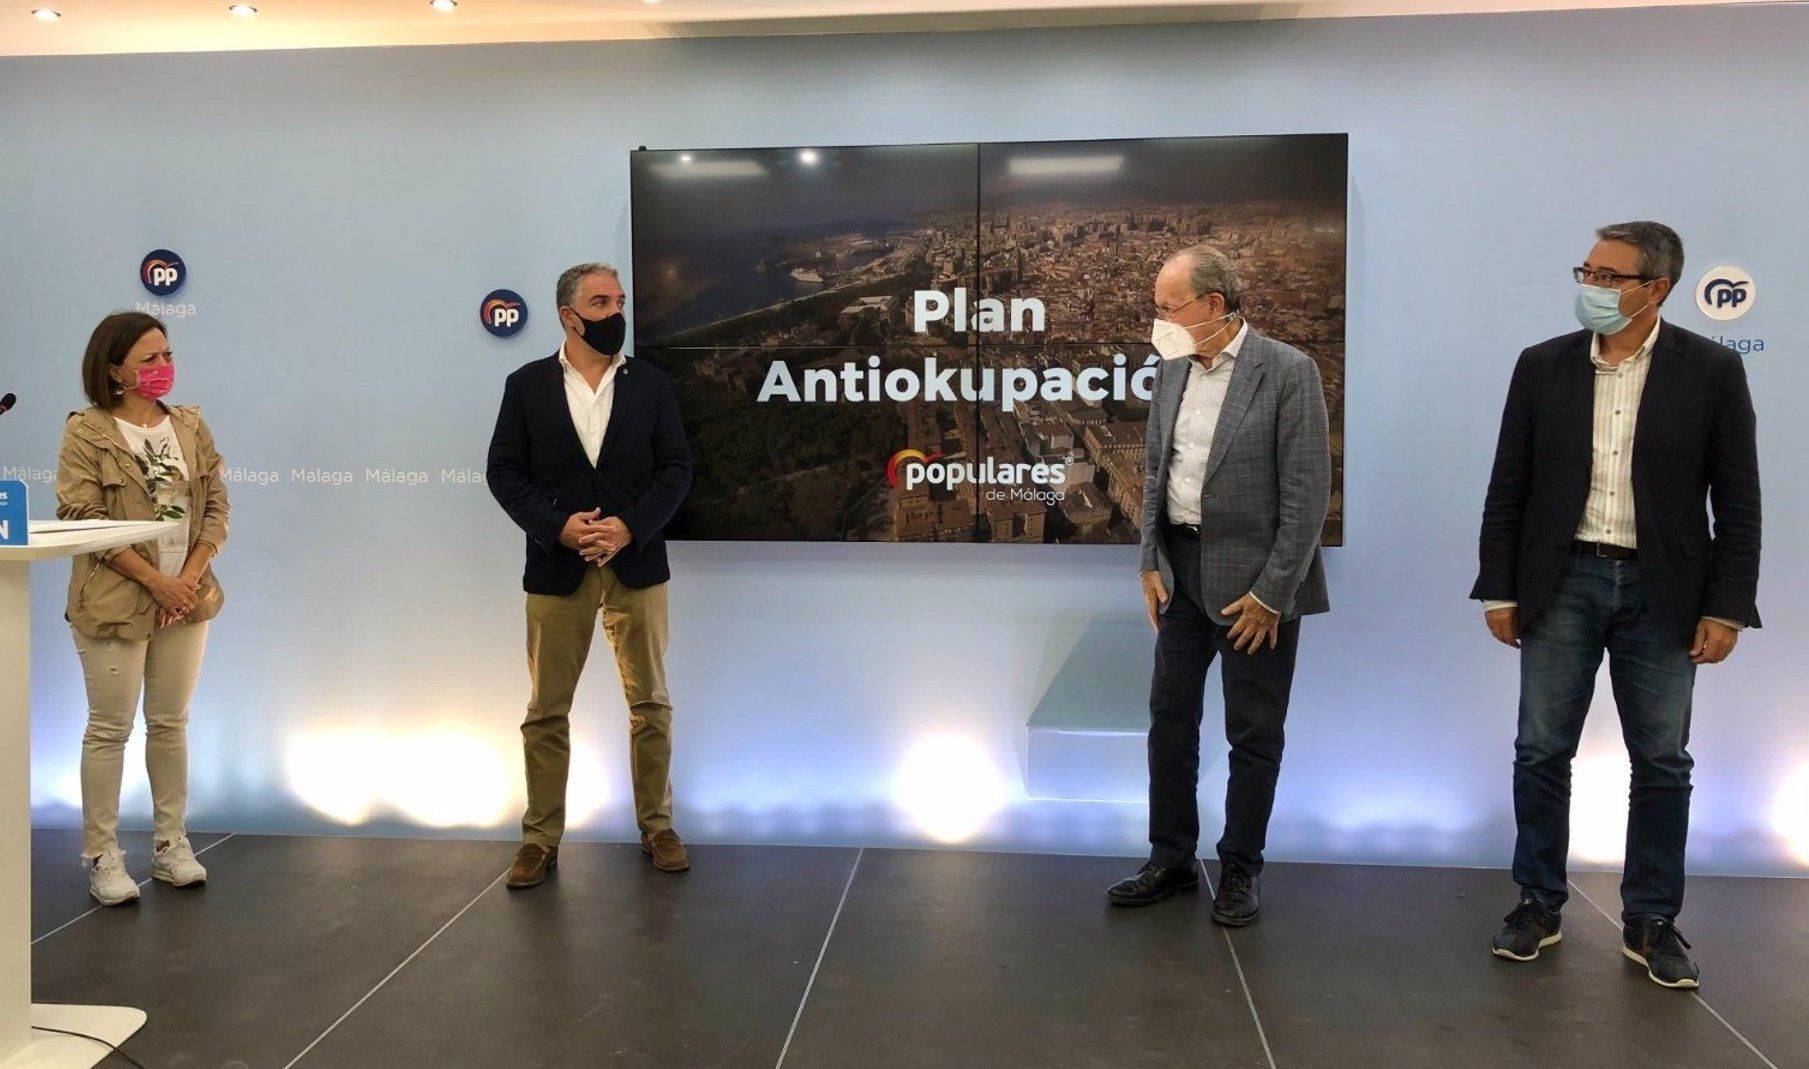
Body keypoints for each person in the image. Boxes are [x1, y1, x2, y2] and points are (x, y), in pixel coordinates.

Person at [1473, 221, 1761, 989]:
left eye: (1607, 275)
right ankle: (1536, 900)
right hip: (1560, 578)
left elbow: (1738, 501)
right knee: (1540, 750)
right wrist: (1497, 586)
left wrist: (1727, 606)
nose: (1589, 286)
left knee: (1661, 761)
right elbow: (1509, 486)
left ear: (1655, 287)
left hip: (1663, 591)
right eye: (1587, 271)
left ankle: (1651, 917)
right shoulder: (1542, 366)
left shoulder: (1710, 371)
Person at [1107, 245, 1331, 924]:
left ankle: (1240, 868)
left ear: (1212, 305)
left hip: (1254, 588)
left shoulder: (1288, 372)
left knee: (1253, 732)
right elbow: (1153, 473)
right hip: (1179, 571)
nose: (1159, 321)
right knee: (1169, 721)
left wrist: (1270, 595)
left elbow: (1307, 495)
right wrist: (1148, 560)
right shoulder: (1172, 367)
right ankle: (1170, 857)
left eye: (1168, 307)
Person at [487, 262, 694, 889]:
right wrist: (559, 527)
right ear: (567, 315)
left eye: (620, 301)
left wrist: (630, 527)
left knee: (650, 704)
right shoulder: (525, 385)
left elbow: (676, 470)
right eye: (601, 302)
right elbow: (504, 474)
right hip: (557, 570)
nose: (615, 313)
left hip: (637, 566)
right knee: (546, 711)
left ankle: (656, 826)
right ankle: (540, 838)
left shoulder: (651, 384)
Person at [55, 311, 230, 906]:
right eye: (148, 359)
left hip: (187, 596)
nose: (163, 369)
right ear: (114, 369)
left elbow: (216, 509)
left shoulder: (190, 425)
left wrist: (185, 580)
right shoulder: (88, 431)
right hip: (116, 600)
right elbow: (83, 518)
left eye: (167, 356)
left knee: (170, 722)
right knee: (109, 728)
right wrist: (155, 581)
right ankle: (103, 855)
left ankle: (170, 844)